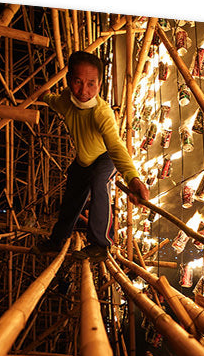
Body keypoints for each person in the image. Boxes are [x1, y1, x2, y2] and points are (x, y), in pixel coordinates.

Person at [33, 51, 149, 261]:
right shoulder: (67, 101)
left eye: (91, 84)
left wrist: (132, 177)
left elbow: (115, 146)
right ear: (69, 81)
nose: (83, 91)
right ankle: (55, 241)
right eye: (78, 82)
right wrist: (44, 96)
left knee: (99, 184)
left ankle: (101, 245)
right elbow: (53, 101)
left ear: (100, 85)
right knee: (71, 201)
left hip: (105, 157)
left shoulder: (101, 113)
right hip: (83, 160)